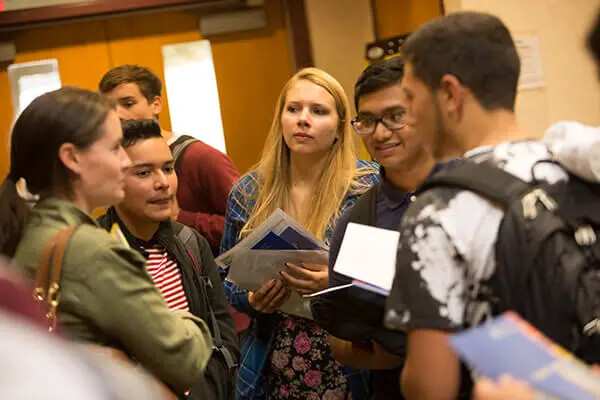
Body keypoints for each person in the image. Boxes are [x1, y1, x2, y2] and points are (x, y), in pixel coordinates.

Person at [383, 11, 600, 399]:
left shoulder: (437, 210)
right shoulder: (580, 168)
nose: (410, 117)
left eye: (411, 98)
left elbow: (433, 387)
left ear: (450, 94)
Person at [7, 87, 213, 396]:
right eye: (116, 148)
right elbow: (185, 357)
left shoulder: (29, 230)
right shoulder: (91, 251)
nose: (125, 163)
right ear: (72, 158)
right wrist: (185, 320)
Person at [220, 67, 380, 399]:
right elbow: (226, 279)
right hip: (274, 363)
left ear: (339, 128)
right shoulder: (248, 192)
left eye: (318, 111)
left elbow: (393, 275)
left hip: (352, 361)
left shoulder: (369, 187)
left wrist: (335, 282)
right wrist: (251, 299)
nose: (302, 119)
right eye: (293, 109)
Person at [311, 57, 456, 400]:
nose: (379, 133)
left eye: (394, 117)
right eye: (368, 121)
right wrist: (401, 351)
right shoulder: (358, 222)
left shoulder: (474, 196)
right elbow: (341, 341)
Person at [97, 118, 239, 399]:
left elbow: (222, 331)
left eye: (168, 168)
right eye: (143, 173)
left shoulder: (189, 242)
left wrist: (207, 387)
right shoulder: (94, 252)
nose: (163, 183)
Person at [98, 64, 240, 256]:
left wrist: (181, 218)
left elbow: (248, 224)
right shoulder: (114, 159)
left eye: (128, 103)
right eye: (109, 107)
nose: (118, 115)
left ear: (156, 104)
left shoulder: (201, 157)